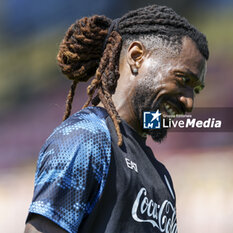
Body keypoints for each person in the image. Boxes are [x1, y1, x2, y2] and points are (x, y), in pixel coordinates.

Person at [24, 5, 209, 233]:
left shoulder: (163, 178)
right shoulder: (86, 138)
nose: (189, 103)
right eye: (182, 79)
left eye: (196, 90)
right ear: (136, 56)